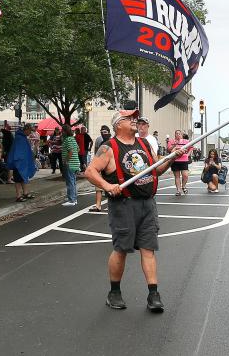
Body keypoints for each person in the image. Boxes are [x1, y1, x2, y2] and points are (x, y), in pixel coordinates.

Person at [84, 107, 172, 313]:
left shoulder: (144, 144)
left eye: (135, 117)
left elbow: (156, 169)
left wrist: (171, 159)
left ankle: (153, 295)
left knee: (148, 249)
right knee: (122, 249)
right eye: (129, 118)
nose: (135, 120)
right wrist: (107, 186)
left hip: (148, 204)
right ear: (118, 124)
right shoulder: (108, 148)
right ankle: (114, 292)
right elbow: (90, 171)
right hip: (124, 205)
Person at [8, 123, 37, 202]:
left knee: (24, 178)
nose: (30, 133)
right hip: (18, 163)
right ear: (26, 130)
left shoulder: (23, 137)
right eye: (30, 131)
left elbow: (25, 150)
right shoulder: (19, 138)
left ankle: (25, 193)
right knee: (18, 179)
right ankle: (18, 195)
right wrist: (19, 161)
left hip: (23, 162)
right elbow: (18, 151)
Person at [90, 125, 112, 212]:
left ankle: (112, 204)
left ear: (109, 132)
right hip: (101, 165)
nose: (103, 134)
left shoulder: (113, 141)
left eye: (105, 132)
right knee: (98, 185)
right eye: (102, 132)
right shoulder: (100, 141)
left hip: (110, 167)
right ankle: (98, 205)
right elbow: (96, 153)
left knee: (111, 185)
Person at [167, 130, 192, 196]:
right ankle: (178, 190)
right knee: (177, 176)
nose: (178, 135)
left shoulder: (186, 141)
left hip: (184, 160)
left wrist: (188, 154)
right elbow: (169, 149)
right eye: (176, 134)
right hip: (175, 160)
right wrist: (174, 145)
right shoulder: (171, 141)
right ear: (175, 135)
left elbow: (191, 147)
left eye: (179, 134)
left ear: (181, 135)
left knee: (185, 175)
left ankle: (183, 186)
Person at [60, 123, 80, 206]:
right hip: (75, 163)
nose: (61, 132)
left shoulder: (68, 140)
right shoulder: (73, 139)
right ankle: (74, 198)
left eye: (62, 131)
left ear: (65, 131)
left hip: (70, 163)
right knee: (73, 181)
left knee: (70, 182)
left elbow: (71, 151)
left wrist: (66, 160)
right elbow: (77, 149)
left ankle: (71, 200)